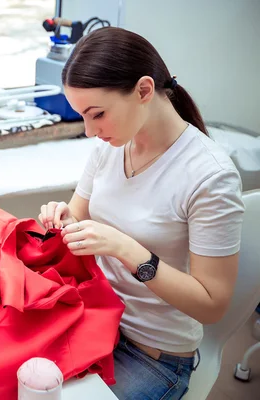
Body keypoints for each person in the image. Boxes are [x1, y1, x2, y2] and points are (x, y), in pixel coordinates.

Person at [38, 27, 245, 400]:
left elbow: (212, 304)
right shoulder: (110, 145)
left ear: (144, 91)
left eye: (97, 114)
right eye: (82, 116)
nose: (89, 131)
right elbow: (78, 216)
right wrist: (62, 218)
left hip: (153, 355)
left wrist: (126, 249)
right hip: (95, 319)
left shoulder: (209, 176)